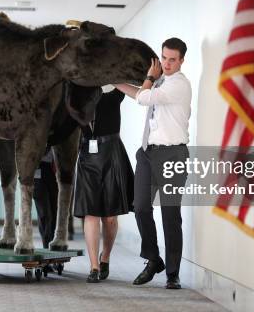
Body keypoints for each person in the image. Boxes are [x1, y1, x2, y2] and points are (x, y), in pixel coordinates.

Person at [115, 37, 191, 290]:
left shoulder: (179, 85)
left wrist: (149, 76)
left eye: (172, 59)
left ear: (181, 61)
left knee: (171, 215)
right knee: (140, 208)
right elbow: (140, 93)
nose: (167, 63)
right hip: (148, 153)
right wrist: (116, 82)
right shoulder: (160, 82)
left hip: (172, 155)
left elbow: (143, 98)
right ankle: (153, 258)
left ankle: (172, 273)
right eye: (164, 57)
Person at [73, 85, 134, 283]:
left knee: (110, 218)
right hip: (88, 153)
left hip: (112, 152)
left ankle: (105, 257)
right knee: (91, 213)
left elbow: (139, 89)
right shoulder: (78, 90)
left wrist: (149, 76)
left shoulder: (115, 87)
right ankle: (93, 267)